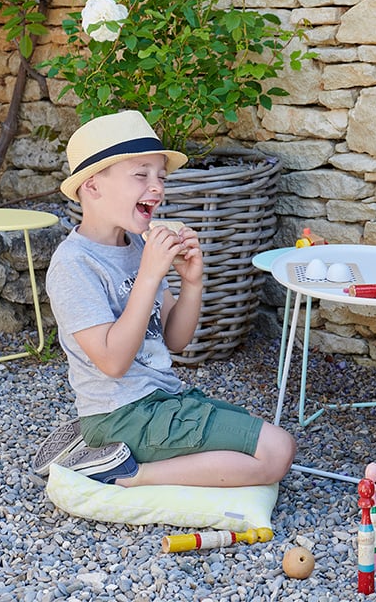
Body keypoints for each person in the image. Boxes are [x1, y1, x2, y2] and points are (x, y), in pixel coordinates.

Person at [33, 110, 296, 487]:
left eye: (161, 176)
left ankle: (105, 451)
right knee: (277, 451)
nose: (156, 187)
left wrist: (192, 282)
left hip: (162, 400)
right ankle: (125, 474)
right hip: (123, 413)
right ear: (92, 186)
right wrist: (151, 273)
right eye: (141, 175)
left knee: (260, 441)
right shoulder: (74, 266)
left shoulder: (138, 245)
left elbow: (175, 340)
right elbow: (112, 363)